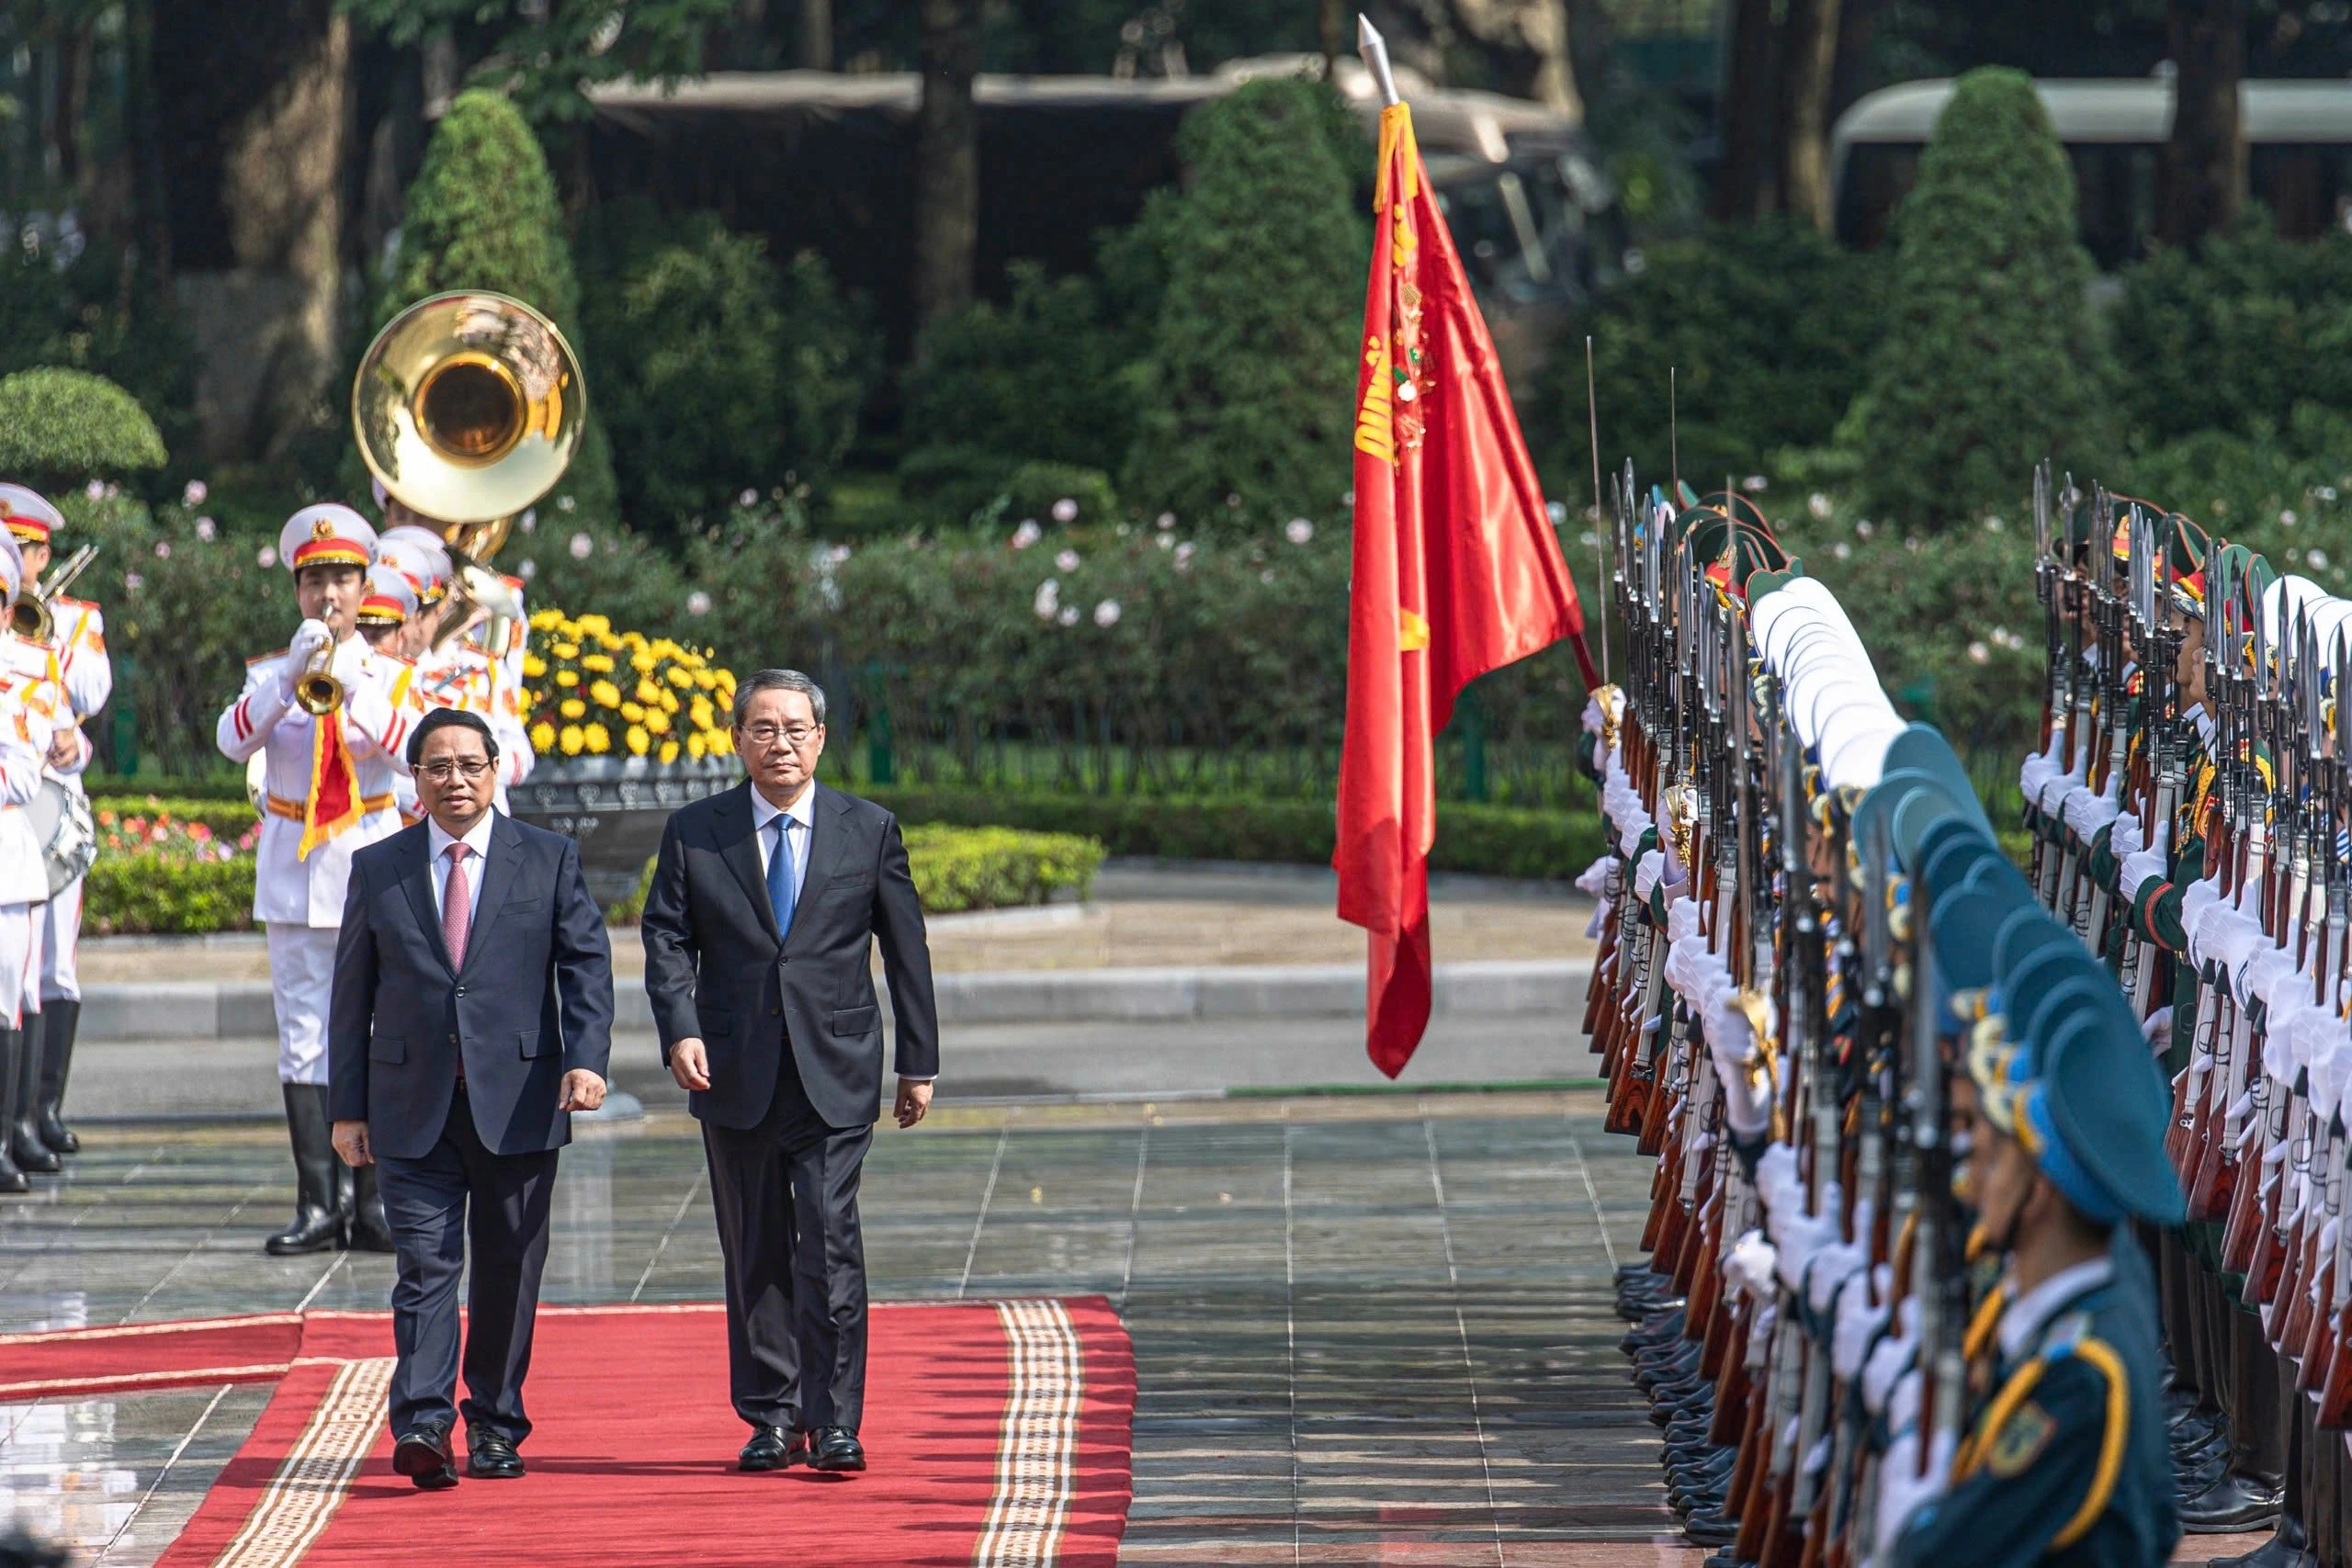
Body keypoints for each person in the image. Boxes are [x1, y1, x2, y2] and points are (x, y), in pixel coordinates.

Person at [640, 668, 940, 1474]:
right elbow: (665, 938)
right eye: (764, 728)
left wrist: (920, 1062)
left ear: (821, 739)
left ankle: (836, 1417)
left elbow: (905, 949)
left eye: (797, 728)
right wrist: (680, 1029)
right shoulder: (697, 831)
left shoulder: (866, 827)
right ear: (738, 739)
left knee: (830, 1238)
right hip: (731, 1071)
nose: (781, 742)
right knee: (756, 1247)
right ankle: (771, 1414)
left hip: (835, 1069)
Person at [327, 705, 613, 1490]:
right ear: (415, 779)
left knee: (507, 1269)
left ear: (496, 771)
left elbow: (585, 964)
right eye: (437, 766)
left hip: (519, 1101)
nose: (455, 779)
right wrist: (345, 1109)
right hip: (409, 1105)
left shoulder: (547, 858)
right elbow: (350, 995)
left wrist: (586, 1060)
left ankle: (494, 1421)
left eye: (469, 765)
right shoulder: (378, 866)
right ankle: (423, 1420)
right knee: (424, 1266)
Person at [1875, 872, 2186, 1568]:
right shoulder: (2093, 1290)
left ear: (2041, 1189)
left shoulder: (2082, 1381)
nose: (1969, 1177)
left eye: (1989, 1159)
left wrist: (1904, 1477)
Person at [216, 505, 413, 1255]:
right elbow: (233, 741)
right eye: (315, 580)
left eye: (341, 579)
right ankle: (317, 1201)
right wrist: (289, 680)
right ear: (297, 589)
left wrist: (350, 681)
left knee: (374, 1033)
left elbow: (407, 754)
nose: (328, 594)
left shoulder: (388, 673)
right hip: (297, 870)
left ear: (365, 586)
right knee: (303, 1038)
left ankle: (375, 1202)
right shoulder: (271, 671)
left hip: (368, 862)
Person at [0, 484, 108, 1164]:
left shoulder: (76, 618)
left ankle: (39, 1108)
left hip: (45, 808)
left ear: (43, 552)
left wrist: (51, 635)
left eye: (26, 546)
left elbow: (89, 701)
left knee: (48, 969)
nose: (20, 555)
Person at [0, 533, 62, 1196]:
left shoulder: (31, 672)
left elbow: (22, 775)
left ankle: (2, 1139)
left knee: (5, 1004)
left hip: (5, 859)